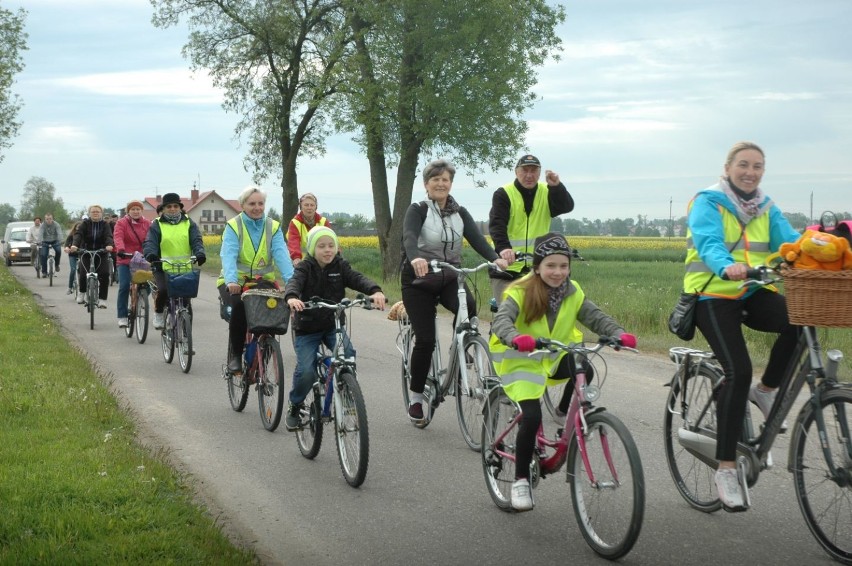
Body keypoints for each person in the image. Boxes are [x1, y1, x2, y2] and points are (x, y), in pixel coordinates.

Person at [684, 141, 800, 512]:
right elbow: (709, 243)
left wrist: (820, 254)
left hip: (752, 290)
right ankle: (726, 468)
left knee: (800, 321)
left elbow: (791, 245)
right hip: (712, 294)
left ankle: (766, 391)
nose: (750, 172)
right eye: (744, 165)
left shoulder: (767, 206)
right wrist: (725, 265)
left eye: (758, 166)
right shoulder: (708, 201)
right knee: (738, 370)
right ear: (728, 167)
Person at [489, 232, 637, 511]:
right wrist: (514, 337)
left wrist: (618, 333)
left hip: (553, 354)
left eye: (563, 266)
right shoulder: (519, 291)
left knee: (585, 370)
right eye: (551, 266)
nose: (558, 272)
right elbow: (502, 320)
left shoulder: (573, 291)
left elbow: (595, 316)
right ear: (537, 267)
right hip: (520, 357)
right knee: (530, 417)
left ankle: (563, 413)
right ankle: (521, 480)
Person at [401, 158, 508, 423]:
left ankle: (463, 345)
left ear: (450, 184)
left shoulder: (460, 212)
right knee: (425, 340)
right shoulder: (417, 210)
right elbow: (409, 238)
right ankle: (416, 397)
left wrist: (495, 257)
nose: (440, 183)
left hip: (449, 276)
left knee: (469, 307)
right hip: (419, 280)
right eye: (435, 179)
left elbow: (477, 239)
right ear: (427, 184)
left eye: (445, 179)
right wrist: (415, 257)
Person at [284, 226, 386, 430]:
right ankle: (295, 404)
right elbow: (294, 283)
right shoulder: (305, 267)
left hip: (332, 325)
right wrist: (292, 297)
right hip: (307, 328)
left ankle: (347, 394)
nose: (327, 250)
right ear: (313, 249)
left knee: (347, 353)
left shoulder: (340, 265)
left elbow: (357, 278)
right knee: (306, 372)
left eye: (331, 245)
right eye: (321, 246)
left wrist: (375, 290)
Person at [218, 186, 294, 374]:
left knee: (272, 316)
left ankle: (263, 359)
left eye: (261, 203)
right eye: (252, 204)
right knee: (239, 308)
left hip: (263, 282)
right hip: (236, 283)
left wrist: (293, 283)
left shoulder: (273, 227)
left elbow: (282, 257)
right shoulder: (234, 226)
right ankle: (235, 356)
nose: (257, 207)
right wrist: (231, 281)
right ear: (242, 205)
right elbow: (228, 255)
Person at [488, 154, 575, 304]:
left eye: (534, 171)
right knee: (507, 314)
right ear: (516, 172)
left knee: (538, 314)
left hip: (536, 266)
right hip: (507, 267)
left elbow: (566, 207)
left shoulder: (547, 191)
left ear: (539, 173)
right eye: (524, 170)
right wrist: (503, 248)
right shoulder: (504, 193)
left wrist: (556, 187)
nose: (529, 175)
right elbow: (497, 224)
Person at [143, 193, 206, 329]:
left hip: (184, 267)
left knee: (186, 302)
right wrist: (151, 254)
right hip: (162, 267)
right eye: (169, 206)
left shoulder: (189, 223)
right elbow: (150, 242)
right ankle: (159, 313)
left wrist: (199, 253)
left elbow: (196, 240)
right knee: (164, 290)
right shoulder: (157, 225)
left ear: (180, 208)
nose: (172, 209)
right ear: (163, 208)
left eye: (175, 206)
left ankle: (185, 335)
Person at [114, 200, 152, 328]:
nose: (136, 211)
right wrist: (120, 249)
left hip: (142, 259)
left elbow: (151, 239)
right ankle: (122, 316)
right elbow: (118, 237)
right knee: (124, 286)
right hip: (125, 258)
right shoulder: (121, 223)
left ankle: (141, 299)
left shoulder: (147, 223)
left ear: (142, 211)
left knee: (148, 285)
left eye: (138, 209)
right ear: (128, 211)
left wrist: (151, 252)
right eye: (133, 209)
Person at [70, 205, 114, 308]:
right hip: (86, 251)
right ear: (89, 213)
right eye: (93, 211)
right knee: (83, 272)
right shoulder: (84, 224)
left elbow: (108, 236)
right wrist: (75, 245)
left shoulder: (105, 225)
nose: (95, 213)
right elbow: (78, 235)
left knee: (104, 274)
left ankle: (102, 299)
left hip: (101, 252)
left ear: (101, 213)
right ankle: (82, 292)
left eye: (98, 212)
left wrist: (109, 245)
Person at [287, 192, 332, 265]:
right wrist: (296, 258)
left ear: (315, 207)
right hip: (302, 263)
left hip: (321, 262)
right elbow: (293, 242)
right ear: (301, 207)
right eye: (306, 205)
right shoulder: (295, 223)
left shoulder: (324, 222)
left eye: (312, 205)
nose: (309, 208)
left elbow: (331, 241)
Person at [38, 213, 64, 277]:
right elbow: (40, 234)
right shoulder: (42, 225)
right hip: (45, 242)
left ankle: (57, 264)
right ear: (45, 219)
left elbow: (59, 233)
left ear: (52, 219)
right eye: (47, 219)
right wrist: (39, 241)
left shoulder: (56, 224)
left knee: (58, 251)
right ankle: (44, 272)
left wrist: (61, 240)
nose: (49, 220)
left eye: (50, 219)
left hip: (55, 241)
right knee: (43, 255)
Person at [63, 220, 82, 294]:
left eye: (80, 228)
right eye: (77, 227)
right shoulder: (71, 235)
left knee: (83, 271)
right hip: (73, 255)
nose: (78, 229)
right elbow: (67, 244)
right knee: (73, 269)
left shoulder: (85, 236)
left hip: (82, 255)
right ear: (75, 228)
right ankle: (70, 287)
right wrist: (67, 248)